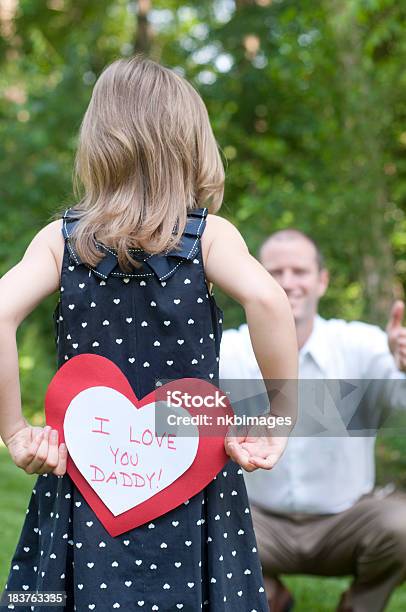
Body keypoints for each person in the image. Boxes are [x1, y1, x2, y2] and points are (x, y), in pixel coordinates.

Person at [0, 56, 298, 611]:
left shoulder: (59, 242)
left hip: (86, 477)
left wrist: (16, 431)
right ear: (189, 144)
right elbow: (267, 299)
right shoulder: (210, 238)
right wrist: (279, 418)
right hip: (195, 477)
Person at [220, 228, 406, 612]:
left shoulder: (365, 345)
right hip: (259, 523)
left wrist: (403, 365)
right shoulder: (228, 351)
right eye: (275, 272)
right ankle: (267, 596)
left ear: (322, 280)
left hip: (346, 519)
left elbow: (399, 405)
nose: (288, 283)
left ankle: (360, 606)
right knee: (201, 521)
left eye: (300, 271)